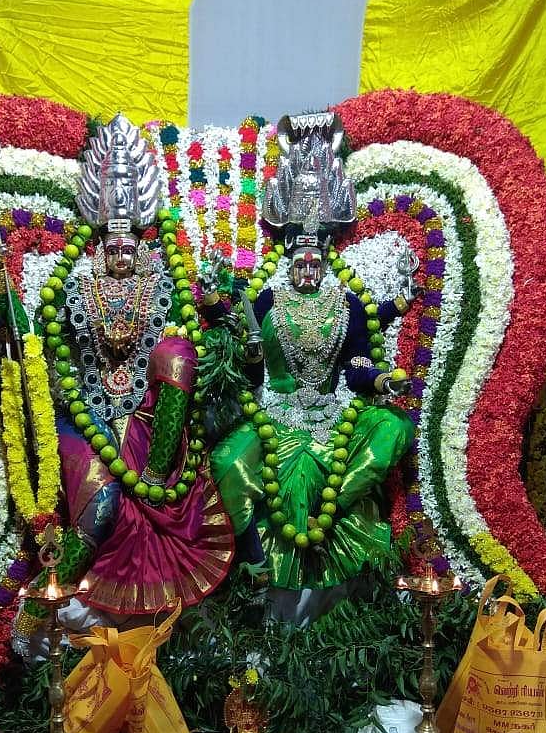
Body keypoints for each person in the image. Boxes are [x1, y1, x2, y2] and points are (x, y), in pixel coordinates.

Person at [210, 112, 416, 598]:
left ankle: (335, 533)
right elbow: (244, 349)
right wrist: (224, 313)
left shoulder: (346, 305)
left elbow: (358, 364)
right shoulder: (266, 301)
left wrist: (382, 381)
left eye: (315, 263)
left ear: (325, 262)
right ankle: (255, 564)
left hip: (331, 416)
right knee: (228, 460)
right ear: (290, 262)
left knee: (394, 427)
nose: (307, 270)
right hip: (276, 414)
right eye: (300, 263)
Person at [45, 114, 234, 617]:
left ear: (141, 247)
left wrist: (217, 302)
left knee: (178, 353)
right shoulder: (74, 285)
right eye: (114, 248)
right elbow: (42, 339)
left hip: (145, 414)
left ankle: (149, 617)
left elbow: (198, 327)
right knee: (104, 507)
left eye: (130, 248)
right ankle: (45, 604)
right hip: (85, 411)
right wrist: (6, 299)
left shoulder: (163, 281)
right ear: (100, 247)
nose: (122, 256)